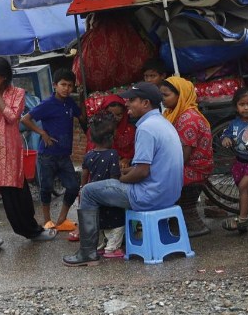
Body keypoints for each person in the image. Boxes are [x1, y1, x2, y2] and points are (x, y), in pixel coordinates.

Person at [64, 83, 183, 267]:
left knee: (88, 191)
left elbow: (142, 172)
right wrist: (124, 172)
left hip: (149, 196)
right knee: (106, 185)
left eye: (132, 100)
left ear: (145, 103)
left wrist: (118, 179)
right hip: (169, 195)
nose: (127, 104)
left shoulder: (145, 128)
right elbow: (146, 167)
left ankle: (87, 252)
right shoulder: (163, 123)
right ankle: (106, 243)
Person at [0, 56, 58, 249]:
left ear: (3, 77)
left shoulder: (18, 93)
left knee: (15, 191)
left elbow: (12, 118)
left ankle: (31, 231)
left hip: (10, 149)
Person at [21, 68, 83, 231]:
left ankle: (61, 219)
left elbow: (81, 115)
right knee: (46, 188)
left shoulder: (69, 102)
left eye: (70, 86)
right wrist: (42, 133)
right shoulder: (47, 104)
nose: (66, 88)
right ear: (55, 85)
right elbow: (26, 119)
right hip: (47, 155)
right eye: (63, 84)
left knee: (73, 187)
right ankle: (47, 220)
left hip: (64, 155)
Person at [159, 76, 214, 238]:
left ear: (180, 95)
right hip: (191, 165)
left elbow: (183, 156)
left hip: (195, 168)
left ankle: (185, 225)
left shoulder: (188, 118)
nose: (162, 99)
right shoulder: (174, 113)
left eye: (166, 95)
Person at [219, 87, 248, 234]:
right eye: (242, 104)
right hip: (239, 163)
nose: (246, 107)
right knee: (244, 191)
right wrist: (225, 139)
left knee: (243, 187)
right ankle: (243, 221)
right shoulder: (234, 123)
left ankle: (242, 218)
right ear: (236, 106)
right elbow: (224, 135)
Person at [80, 113, 126, 259]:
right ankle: (112, 249)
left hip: (94, 195)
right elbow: (114, 178)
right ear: (111, 138)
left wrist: (83, 188)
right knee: (117, 224)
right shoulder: (112, 154)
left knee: (101, 222)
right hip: (108, 195)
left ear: (92, 138)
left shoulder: (88, 155)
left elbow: (84, 174)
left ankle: (101, 245)